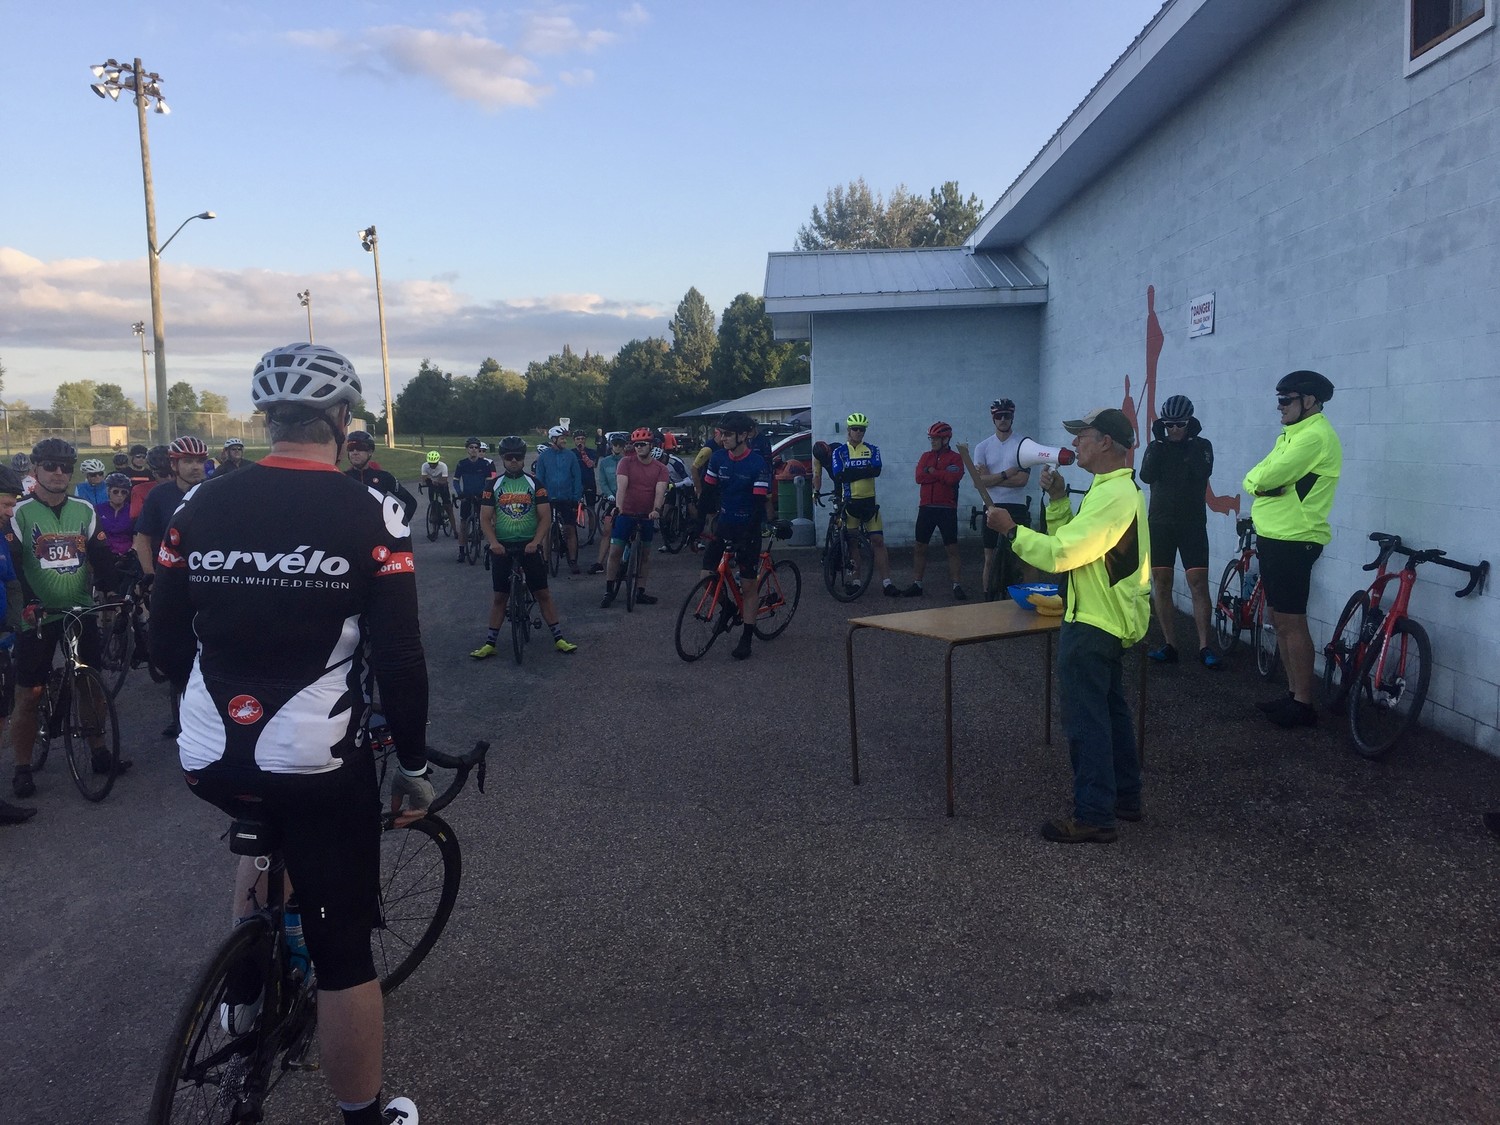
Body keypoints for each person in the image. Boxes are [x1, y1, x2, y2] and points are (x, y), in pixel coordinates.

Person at [150, 343, 427, 1125]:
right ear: (342, 422)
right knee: (344, 955)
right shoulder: (372, 510)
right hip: (311, 756)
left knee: (259, 830)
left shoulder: (196, 505)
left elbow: (163, 649)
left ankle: (243, 1000)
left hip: (207, 752)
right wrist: (410, 762)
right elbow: (401, 660)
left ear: (266, 420)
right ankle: (365, 1115)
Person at [986, 407, 1150, 844]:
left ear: (1107, 444)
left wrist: (1012, 530)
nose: (1075, 443)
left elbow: (1063, 554)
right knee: (1111, 714)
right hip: (1105, 619)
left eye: (1084, 436)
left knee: (1087, 721)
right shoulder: (1110, 489)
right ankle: (1125, 797)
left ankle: (1095, 814)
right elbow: (1074, 537)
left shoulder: (1114, 495)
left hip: (1095, 621)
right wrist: (1058, 500)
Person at [9, 438, 130, 800]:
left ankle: (97, 752)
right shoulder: (19, 512)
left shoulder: (84, 509)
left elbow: (101, 556)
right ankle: (22, 767)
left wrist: (113, 592)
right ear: (35, 470)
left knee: (90, 685)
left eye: (66, 467)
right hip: (37, 616)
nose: (59, 473)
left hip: (79, 609)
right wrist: (29, 602)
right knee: (29, 695)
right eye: (50, 466)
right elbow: (15, 565)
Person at [1243, 370, 1342, 729]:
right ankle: (1291, 694)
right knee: (1280, 620)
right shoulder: (1292, 434)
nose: (1279, 407)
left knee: (1292, 621)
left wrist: (1261, 484)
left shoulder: (1314, 437)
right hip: (1275, 537)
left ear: (1310, 402)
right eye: (1279, 399)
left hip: (1294, 539)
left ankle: (1303, 704)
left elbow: (1267, 477)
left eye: (1286, 400)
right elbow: (1255, 476)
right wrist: (1258, 484)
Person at [468, 437, 578, 659]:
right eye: (509, 457)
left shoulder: (535, 484)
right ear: (502, 459)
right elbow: (485, 519)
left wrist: (536, 542)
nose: (514, 461)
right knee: (500, 597)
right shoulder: (493, 486)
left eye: (518, 457)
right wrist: (493, 543)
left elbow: (545, 517)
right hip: (503, 547)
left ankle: (559, 638)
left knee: (543, 593)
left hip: (529, 545)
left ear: (523, 458)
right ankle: (490, 643)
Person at [1138, 395, 1221, 668]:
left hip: (1192, 524)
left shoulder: (1202, 446)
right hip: (1160, 523)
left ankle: (1204, 646)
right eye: (1169, 424)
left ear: (1190, 423)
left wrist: (1188, 444)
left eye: (1180, 424)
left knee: (1198, 584)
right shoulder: (1157, 446)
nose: (1174, 429)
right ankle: (1170, 644)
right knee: (1161, 582)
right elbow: (1146, 475)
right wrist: (1159, 444)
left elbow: (1201, 472)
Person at [700, 412, 771, 660]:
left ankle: (747, 638)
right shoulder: (718, 458)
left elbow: (757, 505)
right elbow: (707, 493)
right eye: (721, 433)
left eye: (728, 434)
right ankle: (729, 608)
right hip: (725, 526)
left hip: (748, 529)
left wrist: (747, 537)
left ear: (743, 436)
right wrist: (695, 524)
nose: (723, 438)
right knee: (706, 575)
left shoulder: (757, 464)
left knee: (748, 585)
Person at [812, 412, 897, 596]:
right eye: (855, 429)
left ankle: (887, 583)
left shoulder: (872, 449)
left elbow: (877, 470)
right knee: (852, 543)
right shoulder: (839, 452)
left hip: (869, 504)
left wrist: (853, 471)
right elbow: (840, 476)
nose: (859, 432)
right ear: (848, 431)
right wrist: (864, 470)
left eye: (862, 429)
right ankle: (857, 581)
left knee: (878, 541)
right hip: (850, 504)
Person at [601, 428, 669, 608]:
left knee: (645, 555)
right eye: (636, 444)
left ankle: (640, 590)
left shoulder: (660, 468)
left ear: (651, 446)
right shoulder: (625, 462)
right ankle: (609, 590)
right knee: (615, 551)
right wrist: (619, 507)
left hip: (647, 514)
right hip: (626, 512)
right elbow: (621, 487)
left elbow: (660, 490)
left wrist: (656, 509)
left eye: (642, 444)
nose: (638, 448)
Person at [972, 398, 1033, 598]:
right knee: (989, 557)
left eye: (1007, 415)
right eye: (999, 416)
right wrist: (1007, 473)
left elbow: (1022, 480)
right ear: (993, 419)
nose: (1003, 419)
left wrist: (991, 478)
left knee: (1021, 556)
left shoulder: (1023, 445)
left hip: (1016, 506)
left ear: (1013, 417)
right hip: (991, 505)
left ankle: (1026, 598)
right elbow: (978, 483)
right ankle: (987, 599)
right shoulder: (982, 447)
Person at [0, 467, 33, 824]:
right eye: (6, 504)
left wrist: (15, 620)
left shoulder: (2, 538)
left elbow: (10, 582)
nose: (11, 512)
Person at [903, 421, 967, 599]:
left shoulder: (955, 458)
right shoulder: (925, 456)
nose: (932, 441)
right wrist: (939, 473)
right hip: (926, 508)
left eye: (936, 438)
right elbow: (919, 477)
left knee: (951, 548)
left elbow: (952, 478)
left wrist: (932, 471)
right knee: (920, 546)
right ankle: (917, 583)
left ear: (946, 439)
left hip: (947, 508)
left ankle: (956, 585)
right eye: (931, 438)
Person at [134, 436, 208, 582]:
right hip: (169, 573)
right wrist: (150, 575)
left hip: (205, 572)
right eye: (188, 461)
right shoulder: (158, 494)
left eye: (200, 461)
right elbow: (143, 539)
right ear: (174, 465)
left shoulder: (214, 492)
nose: (196, 466)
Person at [534, 425, 583, 574]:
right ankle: (545, 560)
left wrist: (576, 497)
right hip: (548, 499)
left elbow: (577, 478)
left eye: (564, 438)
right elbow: (539, 479)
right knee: (546, 530)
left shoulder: (570, 456)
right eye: (562, 438)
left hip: (566, 498)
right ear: (553, 439)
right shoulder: (543, 457)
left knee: (570, 529)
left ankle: (573, 560)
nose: (564, 441)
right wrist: (540, 497)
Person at [346, 431, 416, 525]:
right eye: (351, 448)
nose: (355, 452)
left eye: (359, 448)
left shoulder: (384, 477)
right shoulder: (343, 477)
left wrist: (400, 526)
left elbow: (411, 502)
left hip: (378, 535)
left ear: (370, 452)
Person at [92, 471, 139, 598]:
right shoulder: (97, 509)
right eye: (116, 491)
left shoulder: (132, 510)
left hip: (127, 552)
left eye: (124, 492)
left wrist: (132, 549)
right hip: (105, 551)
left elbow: (136, 533)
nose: (120, 495)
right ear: (109, 491)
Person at [450, 438, 495, 562]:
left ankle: (489, 547)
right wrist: (460, 493)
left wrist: (485, 492)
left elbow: (488, 481)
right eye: (471, 447)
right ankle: (461, 550)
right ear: (467, 449)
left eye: (476, 447)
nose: (474, 450)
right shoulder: (462, 464)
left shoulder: (484, 464)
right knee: (464, 524)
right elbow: (455, 480)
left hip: (480, 496)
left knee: (486, 522)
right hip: (467, 496)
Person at [589, 433, 628, 574]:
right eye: (615, 444)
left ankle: (625, 560)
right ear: (611, 445)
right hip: (612, 500)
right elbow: (603, 481)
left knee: (626, 533)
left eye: (620, 445)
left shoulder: (628, 461)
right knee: (607, 531)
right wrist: (609, 494)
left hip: (627, 500)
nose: (617, 447)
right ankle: (599, 562)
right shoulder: (605, 462)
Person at [130, 445, 171, 519]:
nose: (169, 478)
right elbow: (136, 516)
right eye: (163, 474)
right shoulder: (139, 490)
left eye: (173, 474)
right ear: (154, 473)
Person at [419, 450, 455, 533]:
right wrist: (428, 482)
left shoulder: (443, 466)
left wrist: (438, 482)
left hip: (442, 484)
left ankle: (455, 530)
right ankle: (434, 514)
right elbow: (424, 478)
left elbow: (444, 479)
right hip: (432, 484)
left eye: (434, 463)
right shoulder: (424, 466)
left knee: (448, 506)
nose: (432, 465)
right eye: (430, 463)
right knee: (433, 502)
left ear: (438, 462)